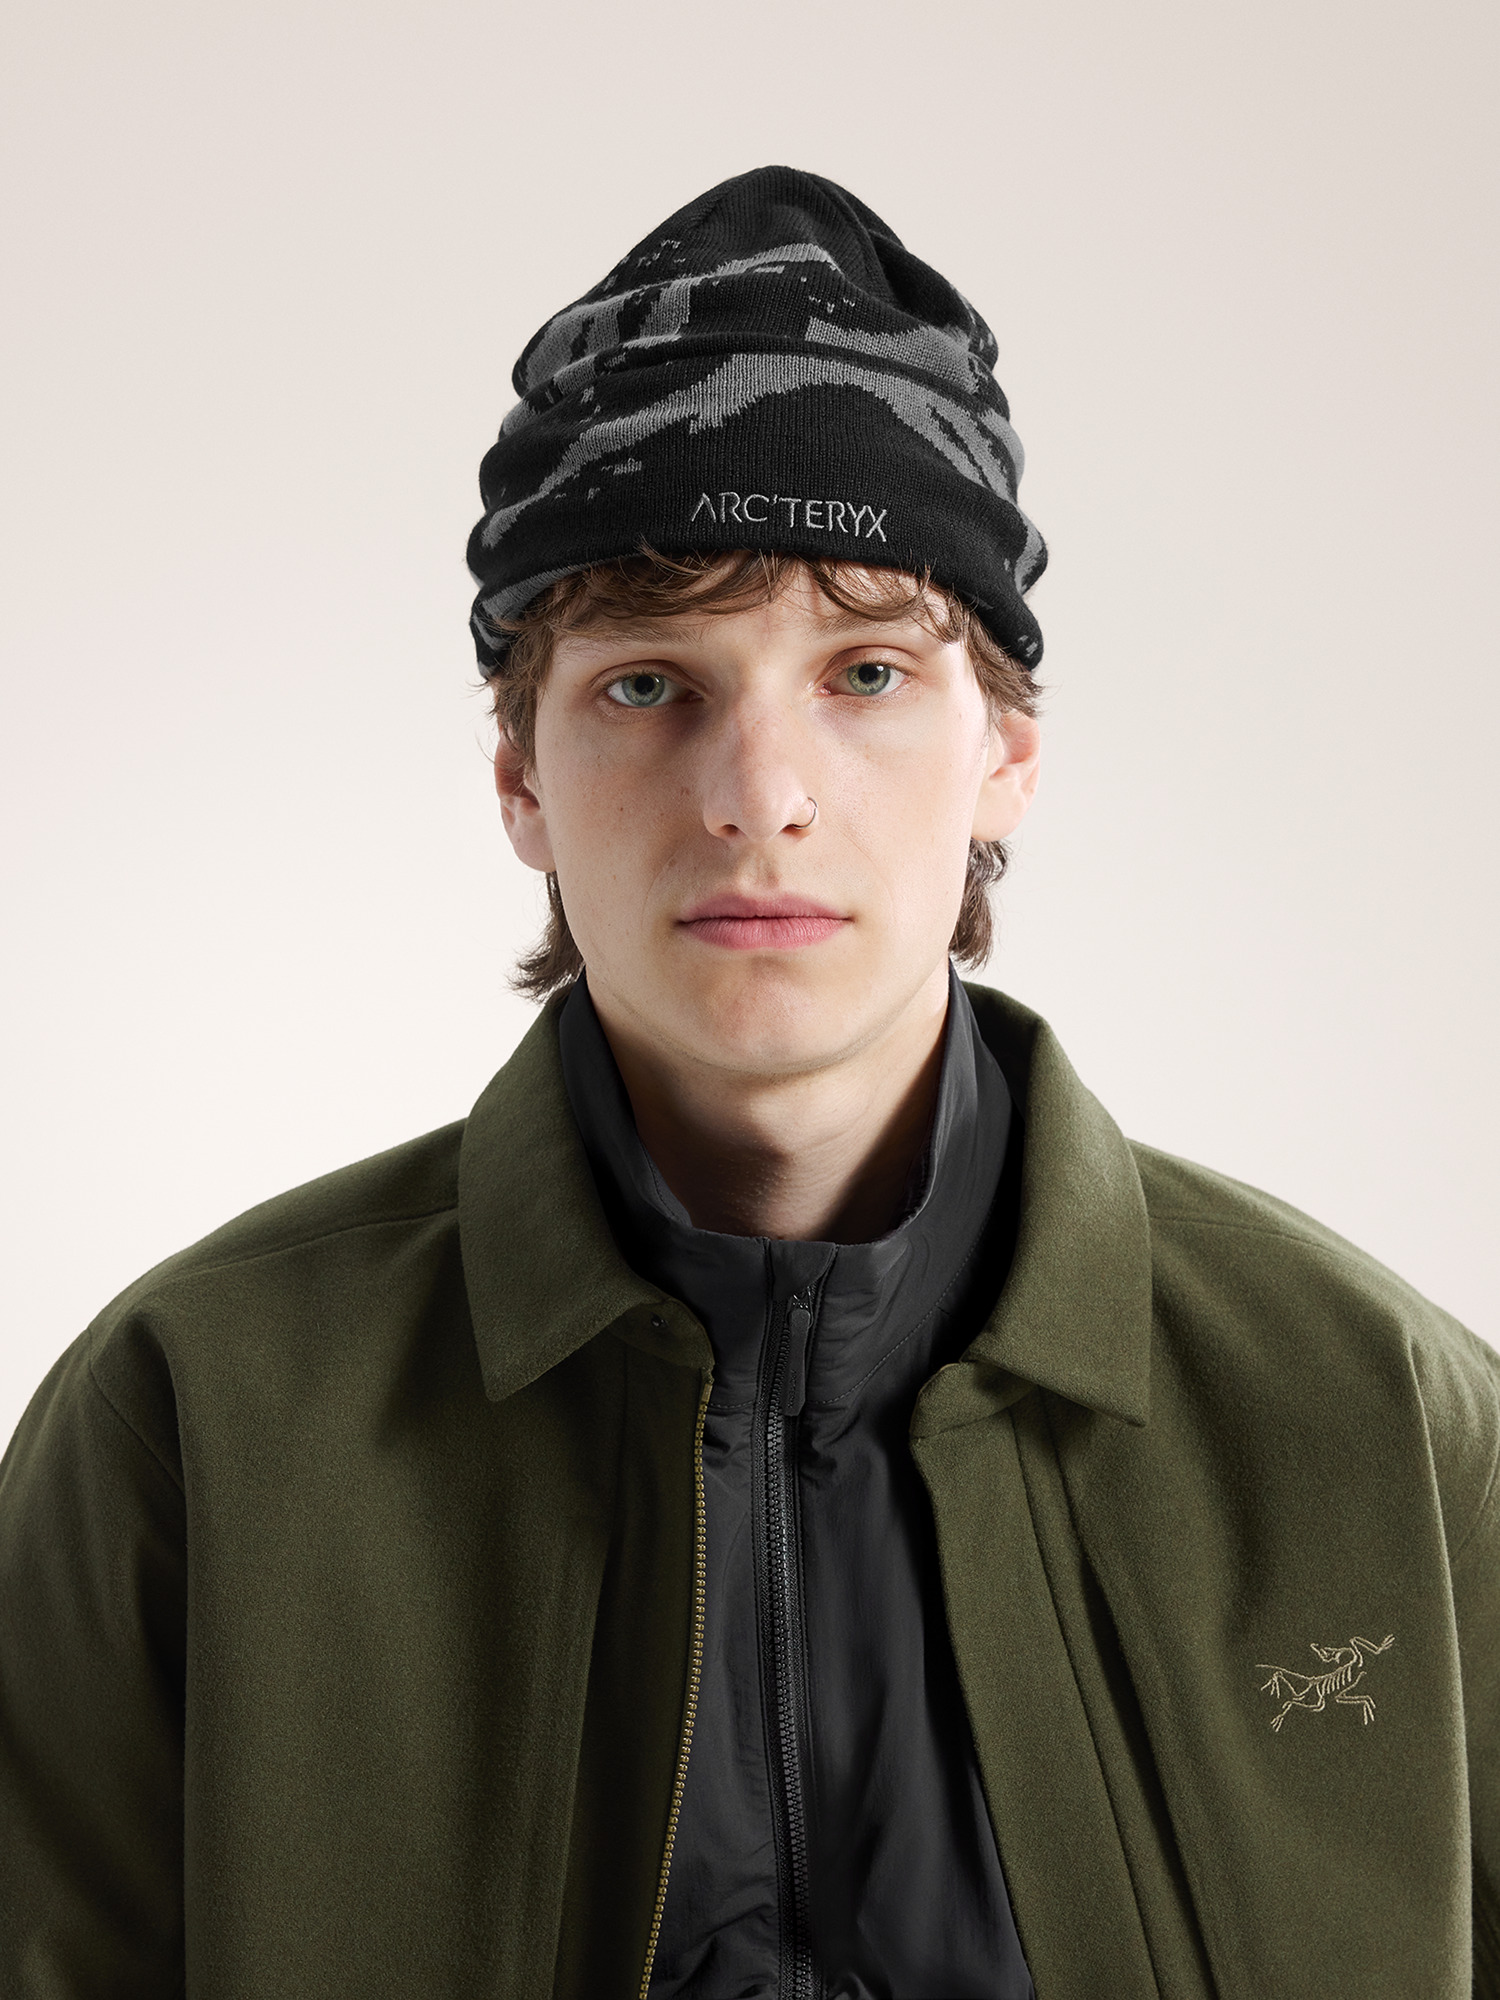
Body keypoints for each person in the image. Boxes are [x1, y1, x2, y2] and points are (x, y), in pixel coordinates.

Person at [1, 165, 1494, 2000]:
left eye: (864, 674)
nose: (757, 795)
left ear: (1008, 757)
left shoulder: (1383, 1425)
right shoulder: (195, 1422)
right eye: (649, 687)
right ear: (521, 780)